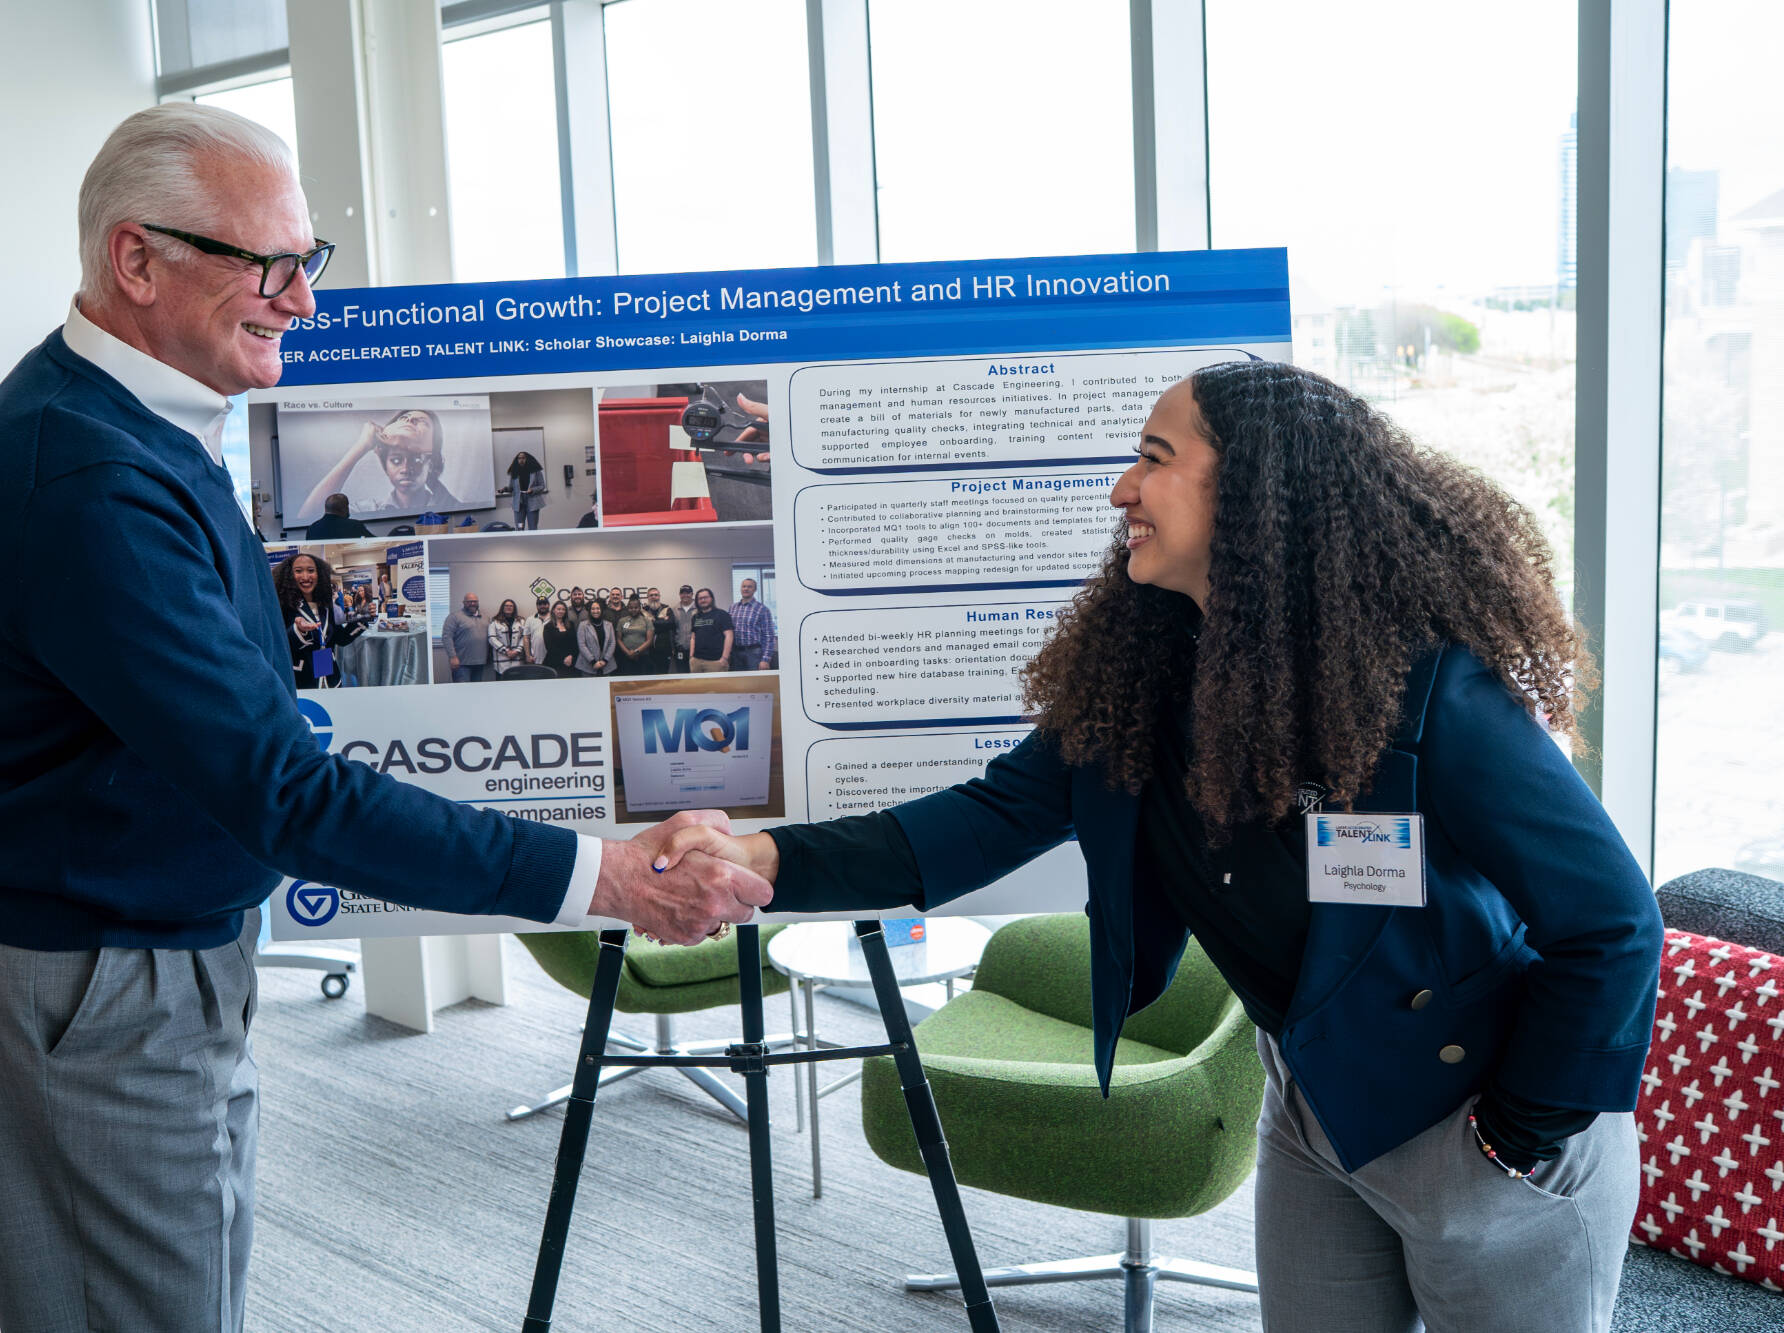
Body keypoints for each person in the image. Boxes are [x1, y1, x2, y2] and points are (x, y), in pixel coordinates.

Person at [0, 104, 768, 1333]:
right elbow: (280, 789)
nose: (301, 301)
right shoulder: (85, 475)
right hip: (91, 978)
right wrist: (610, 882)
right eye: (264, 266)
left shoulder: (148, 420)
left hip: (136, 955)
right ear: (133, 260)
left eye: (308, 261)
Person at [652, 362, 1662, 1333]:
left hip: (1476, 1117)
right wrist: (761, 857)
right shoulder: (1135, 681)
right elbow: (969, 825)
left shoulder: (1422, 684)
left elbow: (1611, 924)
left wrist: (1512, 1136)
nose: (1118, 488)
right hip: (1316, 1105)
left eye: (1152, 455)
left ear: (1263, 492)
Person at [293, 407, 455, 522]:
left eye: (416, 459)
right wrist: (361, 446)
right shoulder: (367, 510)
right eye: (396, 460)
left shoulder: (450, 508)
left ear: (432, 461)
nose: (405, 469)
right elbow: (310, 518)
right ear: (385, 465)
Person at [273, 552, 366, 688]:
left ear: (319, 574)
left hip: (329, 673)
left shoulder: (326, 604)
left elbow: (340, 639)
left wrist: (364, 618)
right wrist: (298, 630)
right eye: (298, 571)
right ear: (289, 575)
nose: (305, 576)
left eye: (311, 570)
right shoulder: (281, 604)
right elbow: (277, 643)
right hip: (300, 678)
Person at [441, 590, 490, 683]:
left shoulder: (485, 617)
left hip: (480, 662)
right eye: (469, 601)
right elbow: (446, 637)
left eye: (475, 601)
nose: (472, 603)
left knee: (477, 691)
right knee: (462, 692)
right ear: (464, 603)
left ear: (478, 602)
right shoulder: (454, 617)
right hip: (461, 663)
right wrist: (452, 656)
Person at [728, 577, 775, 671]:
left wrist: (765, 659)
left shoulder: (762, 609)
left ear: (755, 590)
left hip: (754, 653)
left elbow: (769, 636)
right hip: (736, 653)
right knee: (738, 683)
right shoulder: (733, 608)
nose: (746, 589)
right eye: (744, 586)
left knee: (755, 683)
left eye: (749, 587)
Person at [687, 586, 733, 672]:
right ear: (697, 601)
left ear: (711, 598)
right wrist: (691, 657)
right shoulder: (695, 617)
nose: (703, 600)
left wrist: (724, 658)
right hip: (696, 661)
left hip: (716, 662)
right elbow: (693, 637)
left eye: (705, 597)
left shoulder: (722, 614)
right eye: (700, 598)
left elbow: (729, 636)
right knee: (697, 685)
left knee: (716, 686)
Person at [505, 449, 546, 530]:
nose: (521, 460)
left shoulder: (536, 471)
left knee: (533, 527)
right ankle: (521, 542)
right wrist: (504, 489)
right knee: (520, 527)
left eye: (523, 458)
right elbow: (511, 488)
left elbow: (542, 486)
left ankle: (533, 542)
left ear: (528, 459)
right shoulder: (514, 472)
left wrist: (533, 490)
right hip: (519, 502)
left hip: (532, 501)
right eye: (519, 458)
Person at [577, 597, 618, 677]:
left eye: (598, 608)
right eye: (593, 609)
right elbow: (582, 645)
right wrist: (593, 661)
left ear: (602, 610)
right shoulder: (583, 625)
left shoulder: (609, 625)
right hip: (588, 666)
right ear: (589, 611)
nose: (595, 611)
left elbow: (612, 643)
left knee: (605, 689)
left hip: (606, 666)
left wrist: (605, 660)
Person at [615, 594, 656, 676]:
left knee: (643, 683)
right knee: (627, 683)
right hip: (626, 657)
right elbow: (619, 639)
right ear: (628, 608)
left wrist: (636, 652)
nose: (633, 610)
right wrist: (628, 652)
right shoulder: (622, 621)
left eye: (636, 607)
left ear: (639, 608)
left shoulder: (646, 621)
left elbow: (649, 640)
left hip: (643, 657)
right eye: (631, 608)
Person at [303, 491, 372, 539]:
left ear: (326, 508)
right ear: (344, 508)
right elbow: (375, 541)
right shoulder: (354, 525)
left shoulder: (312, 529)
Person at [489, 598, 530, 674]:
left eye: (511, 606)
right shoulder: (495, 621)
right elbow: (492, 639)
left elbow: (523, 637)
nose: (509, 607)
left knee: (517, 683)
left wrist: (517, 650)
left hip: (517, 658)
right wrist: (506, 651)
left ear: (514, 608)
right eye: (506, 606)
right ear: (502, 608)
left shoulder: (521, 621)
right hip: (501, 660)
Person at [644, 586, 677, 674]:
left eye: (656, 595)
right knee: (649, 676)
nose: (654, 597)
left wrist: (652, 622)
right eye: (651, 595)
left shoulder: (667, 609)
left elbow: (671, 623)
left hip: (664, 649)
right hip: (648, 650)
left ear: (659, 596)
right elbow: (643, 625)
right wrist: (662, 621)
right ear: (648, 597)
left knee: (663, 675)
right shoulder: (643, 610)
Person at [542, 603, 578, 677]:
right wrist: (563, 659)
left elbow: (575, 644)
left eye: (563, 609)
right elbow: (549, 647)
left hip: (570, 662)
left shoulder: (571, 624)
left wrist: (571, 656)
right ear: (553, 611)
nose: (561, 611)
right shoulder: (548, 627)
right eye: (558, 609)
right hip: (554, 663)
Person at [670, 584, 697, 673]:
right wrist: (673, 647)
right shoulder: (674, 609)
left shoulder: (699, 608)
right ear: (679, 594)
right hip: (680, 648)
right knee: (682, 674)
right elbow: (672, 629)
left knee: (695, 675)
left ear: (692, 594)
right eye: (682, 593)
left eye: (688, 593)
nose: (685, 595)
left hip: (696, 648)